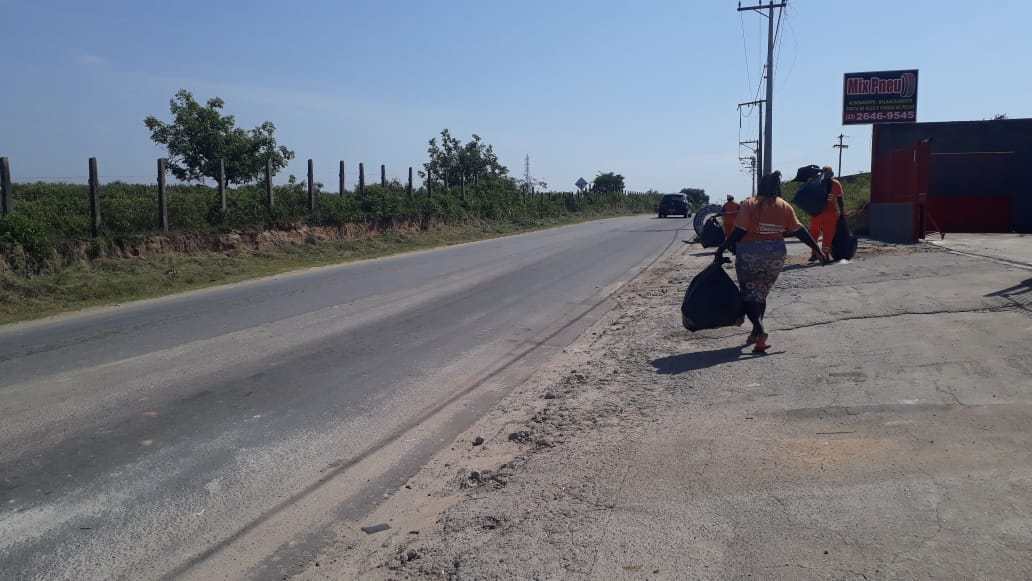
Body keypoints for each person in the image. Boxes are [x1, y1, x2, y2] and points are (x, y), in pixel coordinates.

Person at [715, 171, 828, 353]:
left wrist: (722, 248)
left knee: (748, 295)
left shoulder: (749, 204)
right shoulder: (784, 206)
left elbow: (739, 231)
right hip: (775, 255)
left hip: (751, 254)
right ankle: (757, 337)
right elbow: (799, 230)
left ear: (760, 186)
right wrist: (817, 249)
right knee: (760, 294)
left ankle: (760, 330)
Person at [808, 166, 845, 262]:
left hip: (816, 214)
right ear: (831, 173)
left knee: (814, 235)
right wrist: (842, 212)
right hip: (831, 214)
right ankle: (825, 255)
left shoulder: (816, 183)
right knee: (828, 235)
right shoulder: (836, 184)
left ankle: (814, 254)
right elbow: (840, 200)